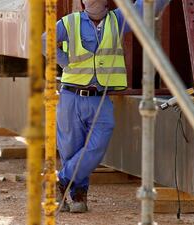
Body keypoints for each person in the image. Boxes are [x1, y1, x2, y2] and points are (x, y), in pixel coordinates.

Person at [42, 0, 171, 213]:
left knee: (99, 142)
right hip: (71, 96)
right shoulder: (69, 23)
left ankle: (62, 179)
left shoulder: (117, 20)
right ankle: (76, 195)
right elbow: (45, 41)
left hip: (99, 98)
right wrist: (66, 63)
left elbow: (149, 7)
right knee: (70, 149)